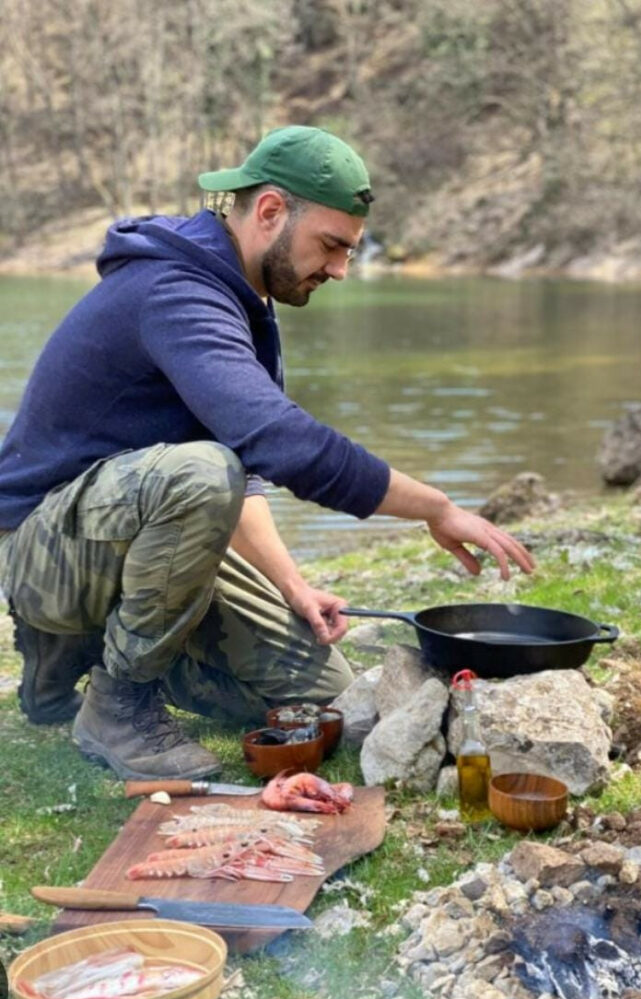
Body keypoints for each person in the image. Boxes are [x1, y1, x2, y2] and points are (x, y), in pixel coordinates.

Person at [0, 125, 534, 781]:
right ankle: (116, 702)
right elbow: (274, 444)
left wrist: (293, 586)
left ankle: (91, 662)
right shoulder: (177, 291)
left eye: (349, 251)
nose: (339, 269)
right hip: (43, 554)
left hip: (133, 536)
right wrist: (434, 507)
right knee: (203, 475)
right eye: (331, 245)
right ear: (272, 211)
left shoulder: (243, 290)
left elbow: (242, 470)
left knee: (321, 697)